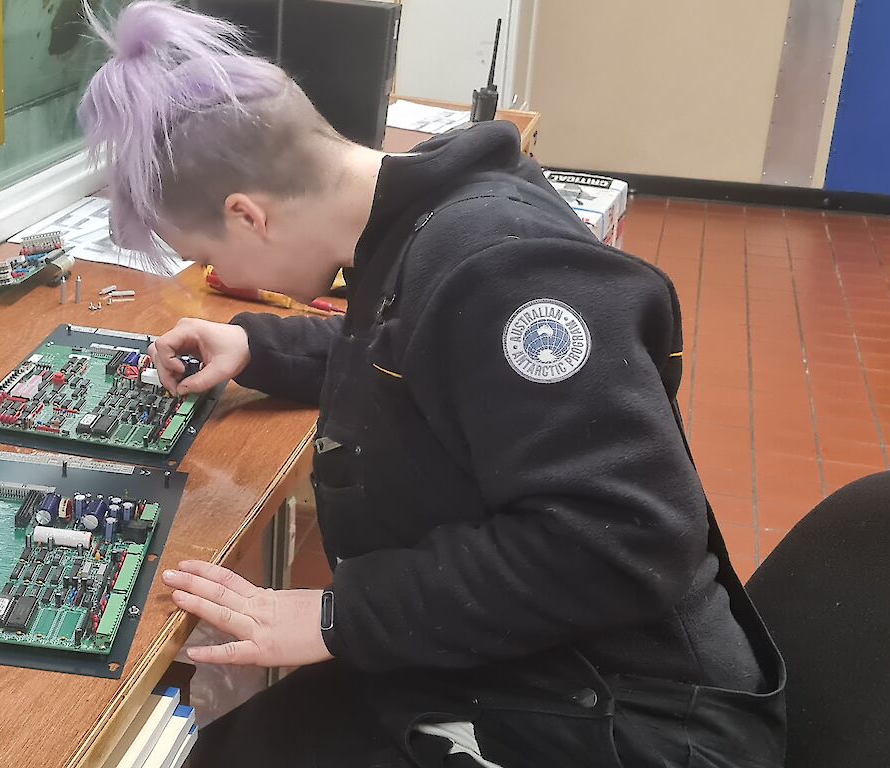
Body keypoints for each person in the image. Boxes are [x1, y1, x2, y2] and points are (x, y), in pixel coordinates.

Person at [77, 3, 786, 767]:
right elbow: (414, 354)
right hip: (532, 654)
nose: (223, 280)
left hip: (633, 717)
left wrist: (337, 616)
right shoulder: (422, 219)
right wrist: (255, 344)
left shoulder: (506, 269)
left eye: (207, 253)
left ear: (247, 215)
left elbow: (620, 541)